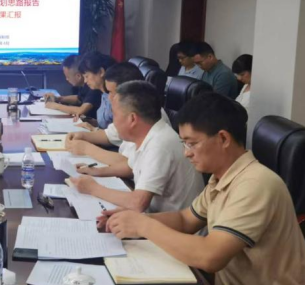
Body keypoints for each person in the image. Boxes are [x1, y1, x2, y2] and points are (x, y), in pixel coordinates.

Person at [103, 93, 305, 285]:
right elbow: (185, 220)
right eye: (184, 143)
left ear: (223, 138)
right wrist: (129, 220)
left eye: (192, 143)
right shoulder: (221, 177)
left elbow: (210, 256)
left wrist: (143, 226)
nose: (186, 152)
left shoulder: (255, 184)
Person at [68, 81, 204, 213]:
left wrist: (93, 188)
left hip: (171, 225)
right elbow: (130, 166)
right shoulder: (149, 134)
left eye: (115, 114)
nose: (113, 122)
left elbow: (138, 203)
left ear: (132, 119)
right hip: (155, 216)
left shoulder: (160, 144)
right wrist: (97, 171)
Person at [78, 52, 117, 129]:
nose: (85, 81)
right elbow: (106, 126)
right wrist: (90, 122)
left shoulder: (115, 98)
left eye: (87, 76)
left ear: (101, 72)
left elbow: (115, 133)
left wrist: (94, 130)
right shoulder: (104, 94)